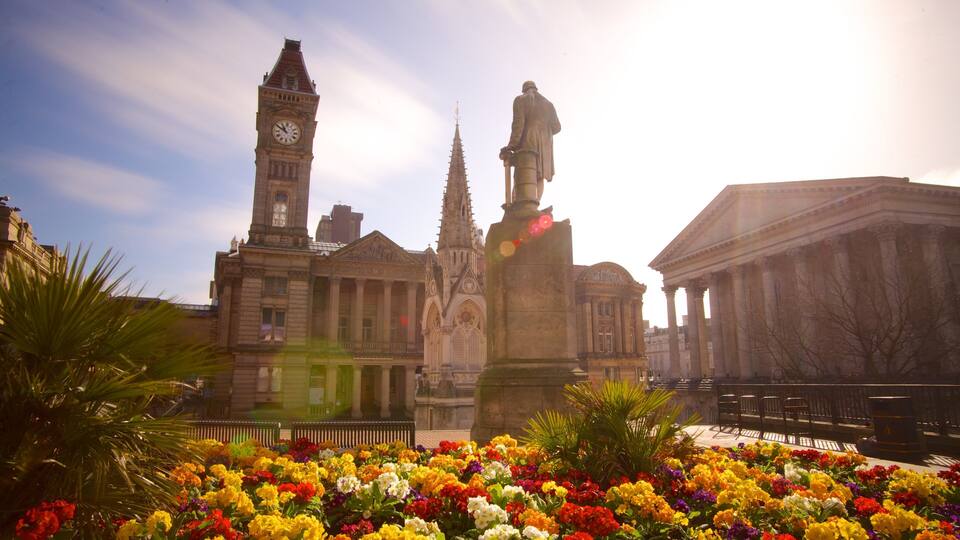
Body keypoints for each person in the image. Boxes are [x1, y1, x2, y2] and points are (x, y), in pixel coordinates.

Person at [499, 81, 561, 203]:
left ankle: (517, 206)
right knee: (540, 176)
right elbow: (557, 127)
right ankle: (535, 204)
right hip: (545, 145)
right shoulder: (549, 104)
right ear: (535, 88)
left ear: (524, 90)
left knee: (522, 174)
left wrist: (511, 146)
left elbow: (518, 125)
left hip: (528, 141)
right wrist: (544, 131)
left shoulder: (521, 100)